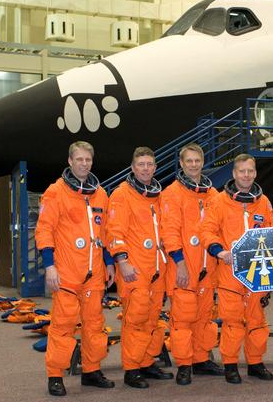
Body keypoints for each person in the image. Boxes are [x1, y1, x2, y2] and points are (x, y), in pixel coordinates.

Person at [35, 141, 116, 397]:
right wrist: (49, 266)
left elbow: (105, 233)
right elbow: (44, 230)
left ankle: (91, 371)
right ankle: (55, 375)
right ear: (70, 161)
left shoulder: (100, 194)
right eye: (79, 159)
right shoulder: (55, 192)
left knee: (94, 325)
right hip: (67, 273)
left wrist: (109, 262)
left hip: (94, 274)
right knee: (63, 326)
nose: (84, 164)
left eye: (88, 160)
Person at [200, 153, 273, 384]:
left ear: (255, 173)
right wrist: (219, 252)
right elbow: (207, 231)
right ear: (234, 173)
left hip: (257, 273)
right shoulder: (219, 201)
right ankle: (230, 364)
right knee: (232, 321)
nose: (246, 175)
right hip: (229, 272)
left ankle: (255, 363)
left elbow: (272, 234)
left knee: (256, 321)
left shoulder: (263, 202)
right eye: (242, 171)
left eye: (250, 171)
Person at [106, 146, 172, 389]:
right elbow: (114, 231)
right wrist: (122, 262)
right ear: (133, 168)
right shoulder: (122, 194)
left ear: (155, 168)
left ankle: (146, 362)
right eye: (141, 165)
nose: (145, 169)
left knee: (152, 319)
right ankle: (132, 369)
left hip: (157, 269)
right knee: (135, 320)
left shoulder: (158, 195)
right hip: (134, 269)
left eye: (149, 165)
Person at [161, 143, 224, 385]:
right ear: (181, 163)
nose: (194, 165)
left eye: (197, 160)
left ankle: (200, 359)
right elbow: (170, 232)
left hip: (208, 269)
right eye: (189, 161)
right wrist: (180, 263)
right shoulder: (172, 193)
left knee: (204, 318)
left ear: (203, 162)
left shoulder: (213, 195)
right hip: (184, 267)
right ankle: (184, 364)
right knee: (183, 320)